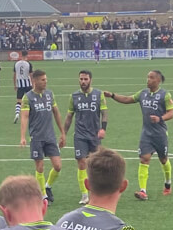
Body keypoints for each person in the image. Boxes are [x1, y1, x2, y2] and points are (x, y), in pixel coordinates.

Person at [105, 70, 173, 201]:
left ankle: (168, 183)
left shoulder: (165, 95)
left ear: (158, 80)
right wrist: (113, 95)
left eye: (151, 78)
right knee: (144, 159)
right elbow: (127, 99)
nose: (148, 79)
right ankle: (143, 191)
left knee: (163, 159)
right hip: (146, 134)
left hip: (160, 134)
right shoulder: (143, 94)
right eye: (147, 77)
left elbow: (171, 113)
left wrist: (160, 118)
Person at [19, 69, 66, 204]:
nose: (46, 82)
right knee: (39, 166)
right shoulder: (28, 97)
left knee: (58, 166)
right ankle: (43, 195)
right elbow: (24, 117)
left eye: (46, 79)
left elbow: (56, 113)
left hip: (50, 136)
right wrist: (23, 136)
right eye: (43, 80)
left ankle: (47, 186)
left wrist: (62, 132)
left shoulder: (50, 95)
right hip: (37, 137)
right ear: (35, 81)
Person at [62, 70, 107, 205]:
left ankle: (96, 193)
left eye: (85, 79)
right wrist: (64, 133)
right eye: (81, 79)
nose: (83, 82)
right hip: (80, 135)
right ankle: (84, 195)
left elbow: (104, 113)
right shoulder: (74, 96)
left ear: (90, 80)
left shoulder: (99, 95)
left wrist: (103, 128)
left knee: (94, 165)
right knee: (81, 162)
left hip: (94, 135)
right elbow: (69, 116)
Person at [12, 57, 33, 124]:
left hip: (20, 84)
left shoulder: (16, 64)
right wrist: (33, 84)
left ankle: (17, 114)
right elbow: (31, 75)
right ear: (26, 56)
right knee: (30, 100)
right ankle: (31, 116)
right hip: (28, 84)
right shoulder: (28, 63)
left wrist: (15, 85)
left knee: (19, 101)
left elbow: (14, 75)